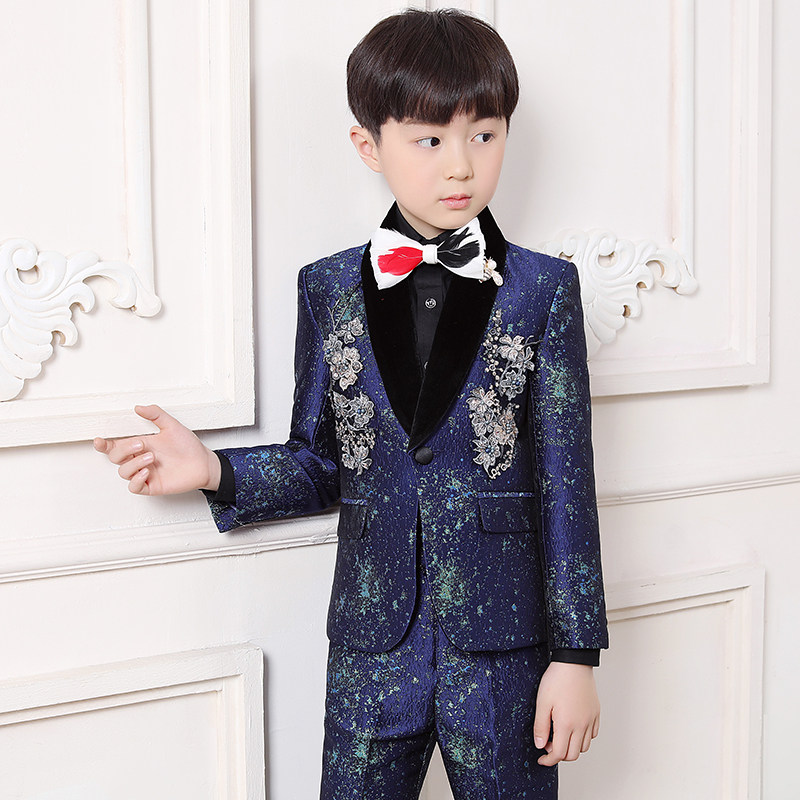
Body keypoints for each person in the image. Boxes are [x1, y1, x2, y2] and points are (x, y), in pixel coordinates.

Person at [94, 9, 609, 799]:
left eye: (484, 135)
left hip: (505, 652)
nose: (461, 166)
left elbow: (568, 486)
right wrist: (214, 470)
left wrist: (576, 657)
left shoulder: (543, 289)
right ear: (369, 146)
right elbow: (321, 462)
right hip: (371, 650)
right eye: (429, 140)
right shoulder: (327, 287)